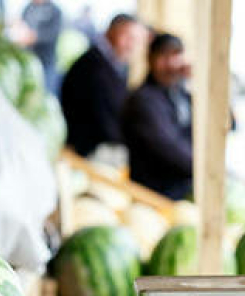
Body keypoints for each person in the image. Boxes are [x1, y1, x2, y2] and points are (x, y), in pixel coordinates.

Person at [59, 13, 148, 157]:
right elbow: (106, 124)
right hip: (91, 151)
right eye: (128, 38)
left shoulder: (111, 64)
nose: (132, 46)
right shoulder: (93, 68)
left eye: (137, 41)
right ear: (111, 31)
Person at [123, 32, 194, 200]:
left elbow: (227, 123)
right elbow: (170, 149)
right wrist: (208, 169)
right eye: (164, 56)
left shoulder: (181, 93)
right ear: (150, 59)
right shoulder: (143, 101)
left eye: (175, 56)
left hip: (183, 189)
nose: (170, 64)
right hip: (156, 196)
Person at [18, 0, 63, 91]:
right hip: (29, 64)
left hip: (46, 65)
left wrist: (34, 37)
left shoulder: (54, 10)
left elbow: (53, 34)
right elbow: (21, 27)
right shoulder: (28, 8)